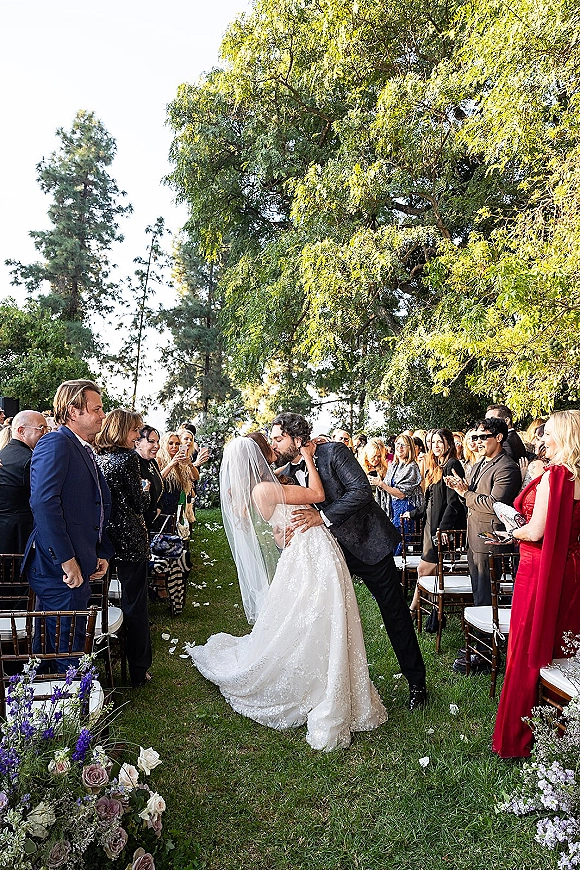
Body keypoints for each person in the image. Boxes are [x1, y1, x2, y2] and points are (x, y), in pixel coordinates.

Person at [187, 433, 386, 750]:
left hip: (302, 550)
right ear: (260, 452)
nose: (275, 444)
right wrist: (308, 456)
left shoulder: (263, 487)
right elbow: (318, 494)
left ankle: (322, 671)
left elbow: (278, 534)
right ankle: (322, 678)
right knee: (320, 613)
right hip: (312, 552)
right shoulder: (267, 488)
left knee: (306, 616)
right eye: (270, 441)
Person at [270, 412, 427, 710]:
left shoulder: (334, 452)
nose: (275, 445)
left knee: (394, 614)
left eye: (279, 438)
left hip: (369, 546)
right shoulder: (285, 468)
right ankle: (327, 685)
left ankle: (417, 682)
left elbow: (361, 491)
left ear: (297, 437)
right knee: (323, 617)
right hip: (328, 554)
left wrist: (323, 517)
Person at [493, 410, 580, 758]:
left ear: (562, 436)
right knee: (561, 643)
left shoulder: (556, 476)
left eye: (548, 434)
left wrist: (509, 531)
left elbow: (536, 531)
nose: (542, 439)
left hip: (539, 567)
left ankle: (518, 737)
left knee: (527, 646)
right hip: (571, 567)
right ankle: (559, 731)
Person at [22, 380, 113, 666]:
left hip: (79, 560)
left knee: (65, 645)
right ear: (73, 411)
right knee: (65, 650)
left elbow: (95, 506)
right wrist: (67, 560)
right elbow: (44, 504)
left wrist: (101, 551)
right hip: (57, 569)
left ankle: (65, 703)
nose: (102, 415)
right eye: (96, 409)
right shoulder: (56, 442)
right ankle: (68, 706)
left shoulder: (82, 447)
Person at [446, 416, 521, 674]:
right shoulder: (479, 464)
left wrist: (465, 494)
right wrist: (461, 487)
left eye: (482, 437)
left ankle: (487, 652)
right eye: (475, 437)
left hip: (492, 541)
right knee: (479, 595)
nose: (477, 442)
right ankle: (479, 645)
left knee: (488, 597)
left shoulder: (507, 467)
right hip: (474, 538)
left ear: (498, 438)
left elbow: (494, 504)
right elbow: (473, 495)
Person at [95, 409, 152, 687]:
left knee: (105, 599)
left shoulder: (98, 457)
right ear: (122, 430)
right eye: (134, 431)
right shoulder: (129, 459)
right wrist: (144, 489)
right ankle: (139, 669)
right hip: (130, 537)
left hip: (105, 538)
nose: (137, 436)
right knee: (135, 604)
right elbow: (139, 504)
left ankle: (104, 660)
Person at [408, 429, 466, 619]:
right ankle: (434, 611)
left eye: (440, 442)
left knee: (424, 569)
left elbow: (454, 502)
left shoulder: (452, 465)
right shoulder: (437, 466)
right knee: (429, 570)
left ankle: (414, 608)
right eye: (433, 443)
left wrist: (444, 528)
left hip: (439, 528)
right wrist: (414, 514)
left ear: (448, 443)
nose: (436, 446)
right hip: (429, 525)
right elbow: (429, 500)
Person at [0, 411, 49, 553]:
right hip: (20, 537)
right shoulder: (31, 460)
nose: (45, 433)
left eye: (47, 429)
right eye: (41, 428)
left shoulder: (4, 454)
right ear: (21, 430)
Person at [134, 425, 164, 530]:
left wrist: (159, 507)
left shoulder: (152, 462)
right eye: (151, 441)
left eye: (157, 441)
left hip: (153, 521)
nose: (157, 446)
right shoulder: (134, 464)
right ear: (138, 444)